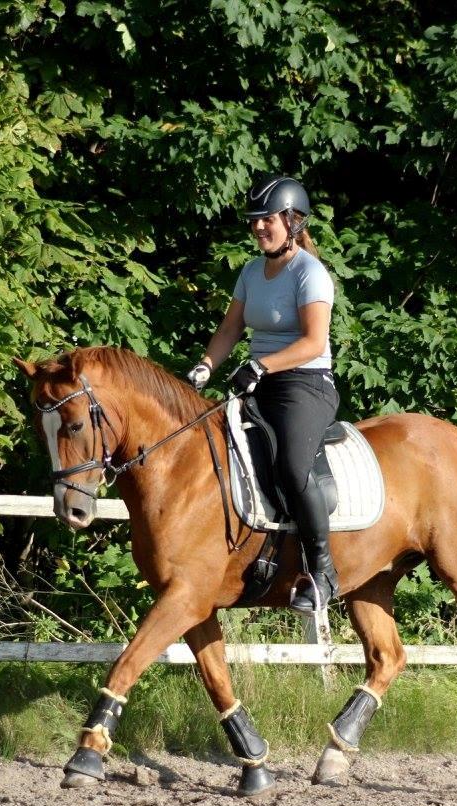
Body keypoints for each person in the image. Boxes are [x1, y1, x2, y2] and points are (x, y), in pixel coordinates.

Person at [186, 175, 340, 613]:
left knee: (292, 468)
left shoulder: (310, 273)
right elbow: (231, 328)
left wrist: (262, 364)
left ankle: (324, 573)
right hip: (258, 380)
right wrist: (206, 366)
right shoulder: (252, 271)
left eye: (267, 219)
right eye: (254, 220)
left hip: (304, 385)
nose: (257, 227)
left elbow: (313, 341)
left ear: (292, 221)